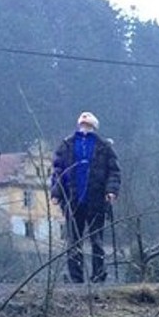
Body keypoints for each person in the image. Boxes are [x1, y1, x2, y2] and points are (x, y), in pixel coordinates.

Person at [50, 111, 121, 283]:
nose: (85, 128)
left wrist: (111, 191)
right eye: (83, 125)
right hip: (73, 200)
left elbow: (114, 171)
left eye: (88, 126)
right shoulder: (67, 145)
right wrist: (56, 192)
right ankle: (76, 277)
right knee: (73, 241)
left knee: (96, 240)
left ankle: (98, 275)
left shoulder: (104, 146)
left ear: (94, 128)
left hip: (96, 200)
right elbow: (58, 171)